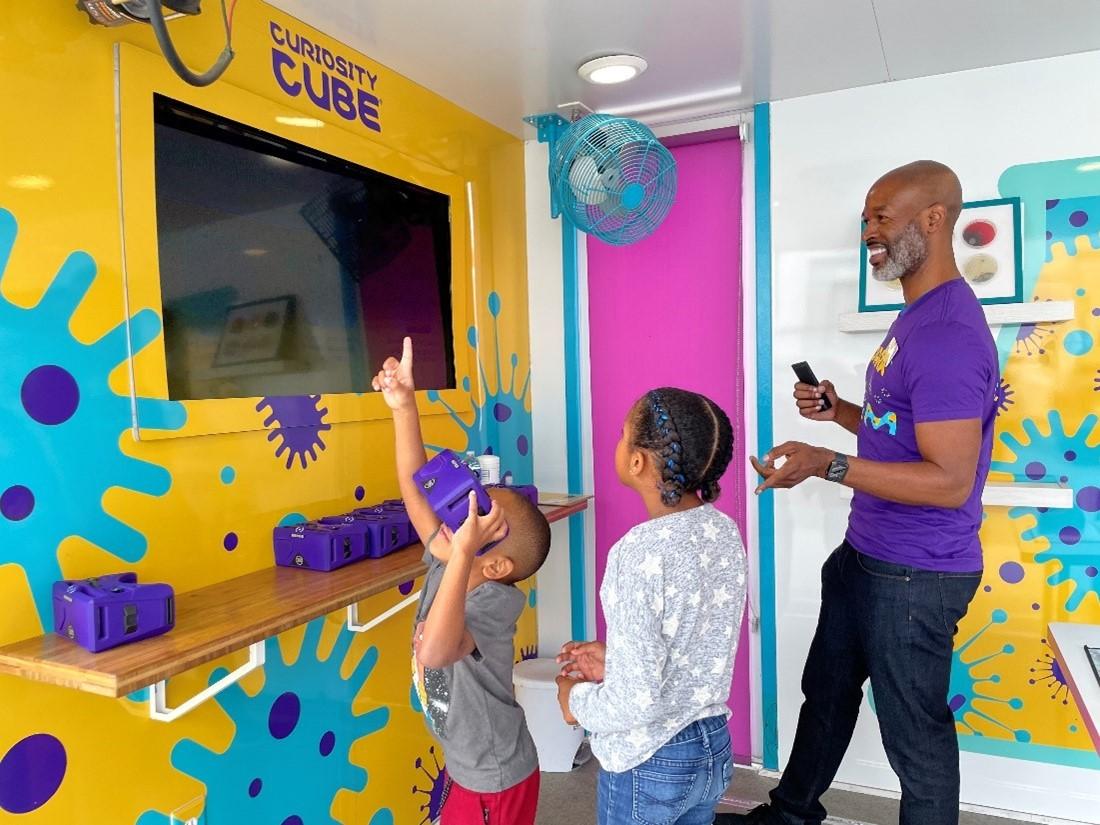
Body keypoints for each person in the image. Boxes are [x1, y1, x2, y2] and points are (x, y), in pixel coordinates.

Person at [721, 161, 999, 825]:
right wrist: (840, 409)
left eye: (882, 215)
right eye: (866, 219)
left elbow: (949, 479)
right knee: (828, 691)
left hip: (915, 575)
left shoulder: (948, 336)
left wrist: (826, 463)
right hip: (866, 555)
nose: (868, 230)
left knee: (917, 738)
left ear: (933, 219)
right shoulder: (917, 316)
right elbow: (901, 429)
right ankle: (790, 813)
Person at [373, 337, 552, 825]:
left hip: (495, 776)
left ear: (494, 565)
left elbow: (434, 651)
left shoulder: (491, 601)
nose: (461, 515)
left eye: (480, 516)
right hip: (471, 765)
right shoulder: (453, 558)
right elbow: (416, 490)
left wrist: (462, 553)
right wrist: (404, 407)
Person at [556, 387, 746, 825]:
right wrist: (618, 660)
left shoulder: (638, 553)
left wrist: (576, 700)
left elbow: (633, 703)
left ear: (637, 461)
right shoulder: (723, 531)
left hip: (651, 760)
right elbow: (693, 640)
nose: (618, 444)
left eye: (623, 435)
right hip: (712, 748)